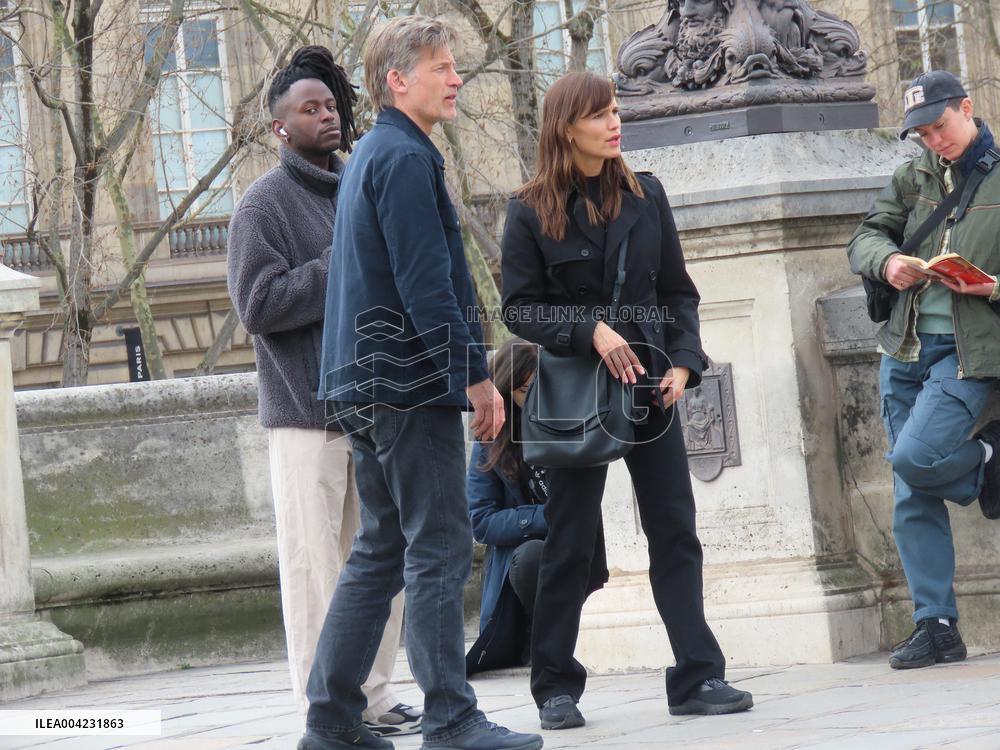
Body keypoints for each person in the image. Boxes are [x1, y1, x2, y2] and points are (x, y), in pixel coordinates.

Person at [300, 16, 544, 750]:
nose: (457, 77)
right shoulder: (404, 157)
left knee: (380, 549)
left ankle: (331, 720)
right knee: (435, 546)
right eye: (442, 66)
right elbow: (427, 284)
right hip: (406, 384)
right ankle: (451, 716)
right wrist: (475, 379)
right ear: (397, 80)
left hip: (364, 383)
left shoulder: (373, 153)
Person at [500, 71, 753, 731]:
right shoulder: (527, 209)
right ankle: (555, 687)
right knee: (571, 542)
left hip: (650, 385)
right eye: (601, 115)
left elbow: (677, 294)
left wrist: (688, 366)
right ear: (566, 127)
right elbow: (519, 308)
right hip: (576, 395)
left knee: (675, 529)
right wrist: (589, 330)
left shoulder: (648, 197)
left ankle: (698, 676)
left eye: (616, 112)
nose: (616, 123)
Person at [226, 45, 419, 737]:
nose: (326, 116)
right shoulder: (261, 206)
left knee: (380, 558)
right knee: (315, 570)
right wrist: (338, 267)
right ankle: (324, 707)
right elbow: (258, 305)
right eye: (309, 109)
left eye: (331, 105)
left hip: (376, 406)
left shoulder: (363, 187)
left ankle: (374, 694)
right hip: (305, 416)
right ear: (281, 127)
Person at [847, 69, 1000, 670]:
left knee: (913, 460)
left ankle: (989, 461)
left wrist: (991, 287)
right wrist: (888, 264)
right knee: (910, 490)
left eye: (940, 126)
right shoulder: (912, 176)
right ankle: (935, 624)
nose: (934, 140)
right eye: (922, 133)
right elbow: (865, 236)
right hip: (904, 348)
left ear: (967, 109)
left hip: (967, 354)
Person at [465, 339, 608, 676]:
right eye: (523, 390)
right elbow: (482, 522)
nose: (532, 398)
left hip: (580, 553)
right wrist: (548, 518)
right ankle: (537, 639)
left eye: (539, 387)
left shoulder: (570, 421)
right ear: (505, 391)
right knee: (530, 555)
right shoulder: (491, 439)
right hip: (528, 567)